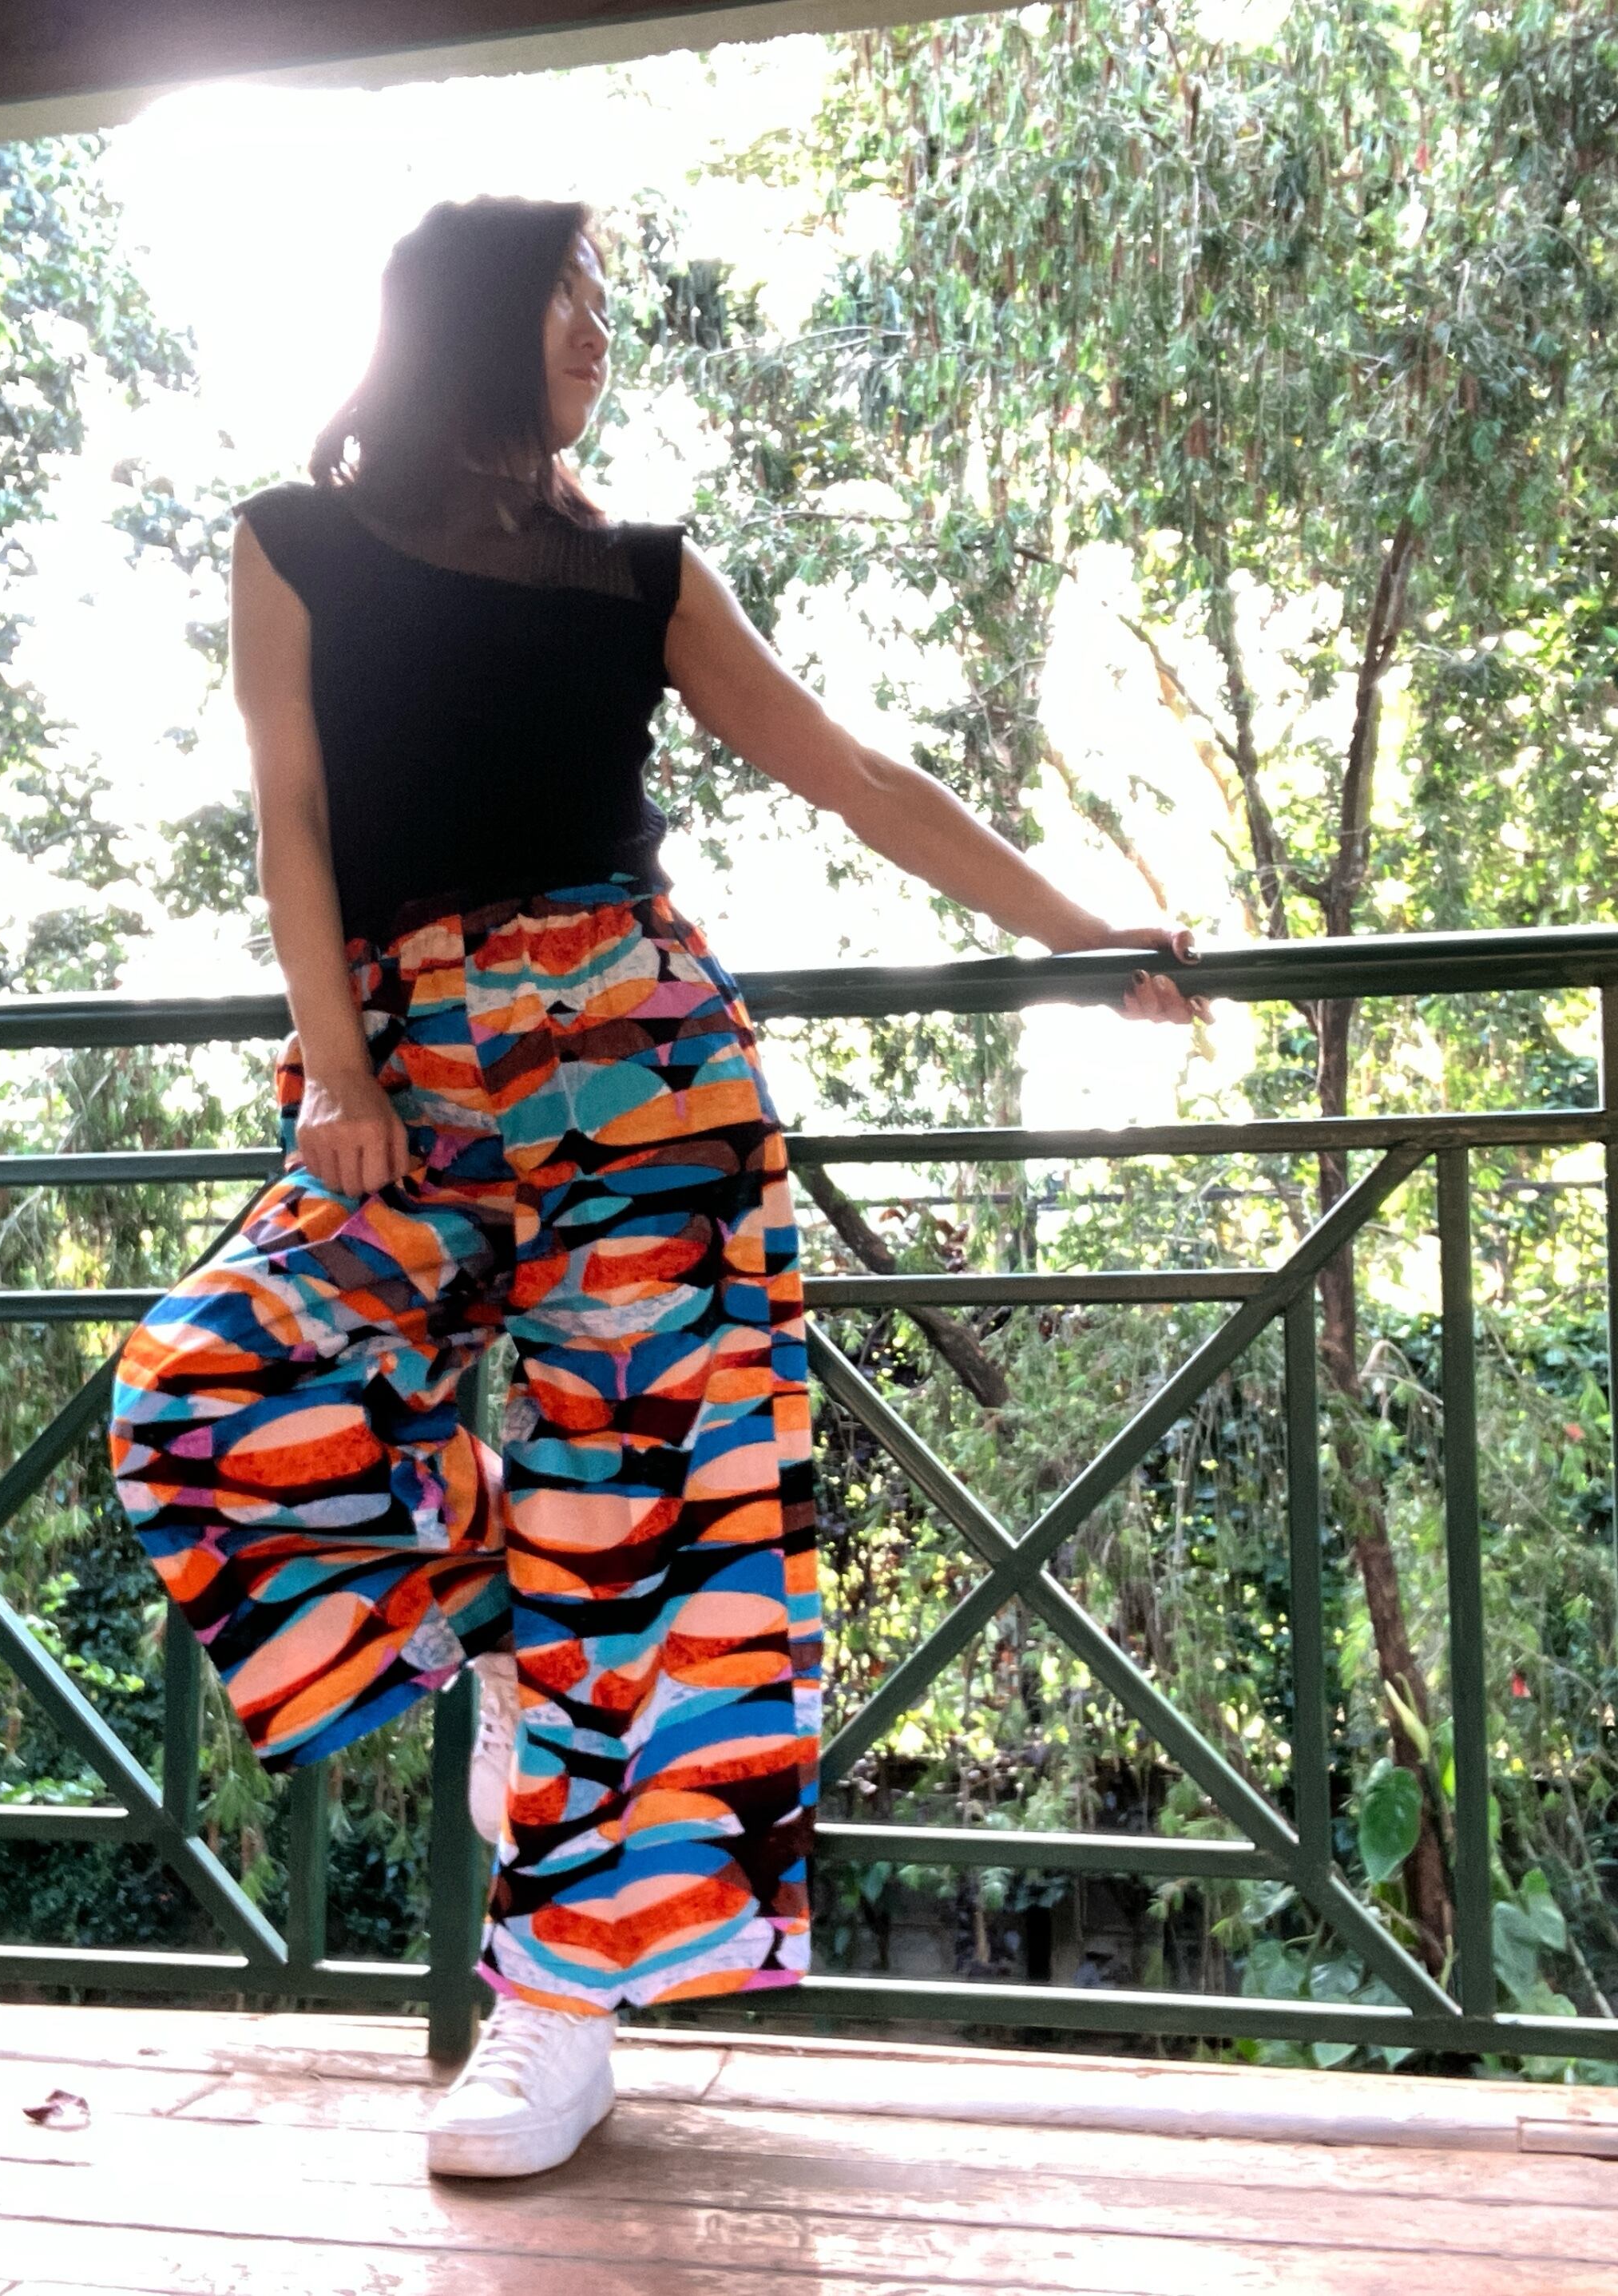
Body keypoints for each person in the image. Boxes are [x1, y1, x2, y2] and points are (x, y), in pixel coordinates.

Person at [108, 195, 1205, 2184]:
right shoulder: (296, 541)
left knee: (637, 1535)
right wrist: (337, 1074)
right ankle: (502, 1639)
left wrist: (1078, 933)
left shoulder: (638, 572)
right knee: (201, 1392)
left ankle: (557, 2020)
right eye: (567, 299)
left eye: (605, 306)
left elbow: (854, 773)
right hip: (406, 1077)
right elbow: (293, 811)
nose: (597, 336)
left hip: (650, 1072)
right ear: (467, 314)